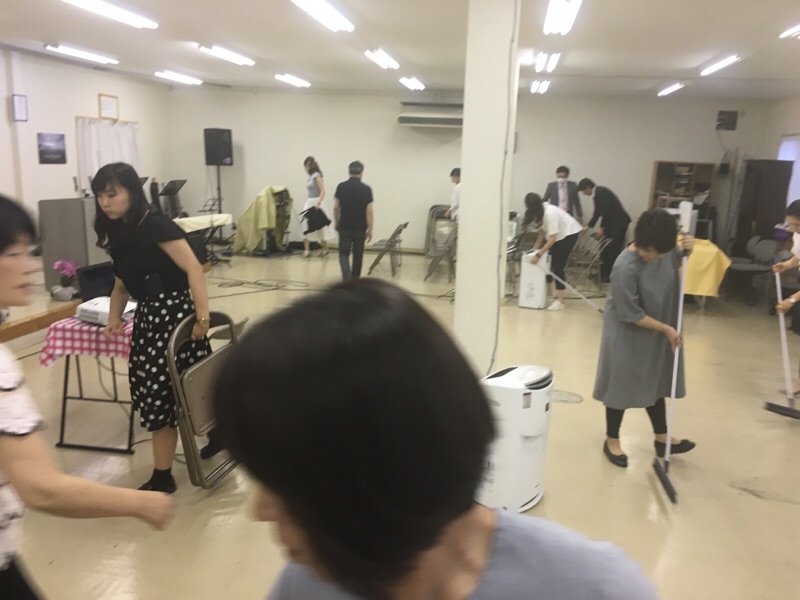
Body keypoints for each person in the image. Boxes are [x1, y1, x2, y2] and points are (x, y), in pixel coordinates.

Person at [211, 278, 659, 600]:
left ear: (382, 473)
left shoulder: (593, 588)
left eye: (284, 482)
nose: (259, 510)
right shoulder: (309, 582)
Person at [0, 194, 174, 599]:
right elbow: (41, 488)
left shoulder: (155, 228)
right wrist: (140, 504)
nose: (30, 265)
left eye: (31, 251)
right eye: (13, 253)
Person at [93, 162, 213, 493]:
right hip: (149, 320)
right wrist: (114, 317)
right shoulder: (121, 234)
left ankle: (164, 476)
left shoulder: (156, 225)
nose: (105, 202)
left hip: (176, 317)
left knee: (182, 389)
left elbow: (194, 269)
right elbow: (120, 286)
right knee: (161, 393)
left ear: (132, 192)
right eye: (100, 195)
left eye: (112, 194)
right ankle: (187, 458)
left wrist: (203, 317)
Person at [594, 208, 696, 468]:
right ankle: (612, 440)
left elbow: (675, 263)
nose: (651, 256)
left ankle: (662, 438)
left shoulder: (665, 250)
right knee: (620, 383)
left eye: (657, 253)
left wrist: (688, 251)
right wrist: (666, 329)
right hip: (627, 330)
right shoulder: (624, 267)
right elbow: (631, 313)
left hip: (659, 326)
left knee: (656, 379)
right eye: (647, 250)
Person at [524, 192, 583, 311]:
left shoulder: (550, 213)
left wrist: (539, 254)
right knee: (549, 262)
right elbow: (542, 231)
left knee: (558, 266)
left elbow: (552, 239)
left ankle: (560, 301)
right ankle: (549, 293)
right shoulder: (539, 211)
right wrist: (535, 248)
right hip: (558, 235)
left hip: (569, 234)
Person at [578, 178, 632, 282]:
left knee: (613, 250)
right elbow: (597, 213)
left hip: (619, 224)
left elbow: (606, 212)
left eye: (583, 191)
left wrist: (601, 228)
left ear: (588, 187)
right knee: (604, 249)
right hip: (611, 224)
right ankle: (602, 273)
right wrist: (587, 227)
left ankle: (610, 276)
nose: (584, 194)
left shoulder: (602, 192)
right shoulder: (597, 195)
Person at [773, 199, 800, 393]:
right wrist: (787, 264)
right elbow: (799, 255)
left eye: (797, 225)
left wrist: (791, 300)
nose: (794, 229)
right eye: (791, 225)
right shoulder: (798, 235)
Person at [333, 161, 374, 280]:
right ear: (361, 173)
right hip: (360, 228)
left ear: (349, 172)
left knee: (343, 254)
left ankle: (347, 276)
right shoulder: (366, 189)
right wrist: (370, 229)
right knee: (358, 255)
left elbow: (336, 208)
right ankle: (355, 280)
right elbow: (369, 212)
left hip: (345, 226)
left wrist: (337, 222)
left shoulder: (341, 187)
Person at [301, 156, 331, 258]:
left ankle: (325, 248)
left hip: (316, 202)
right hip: (309, 202)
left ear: (307, 166)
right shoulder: (310, 177)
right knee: (305, 225)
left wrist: (318, 202)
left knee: (319, 227)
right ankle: (307, 250)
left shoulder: (316, 176)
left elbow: (323, 190)